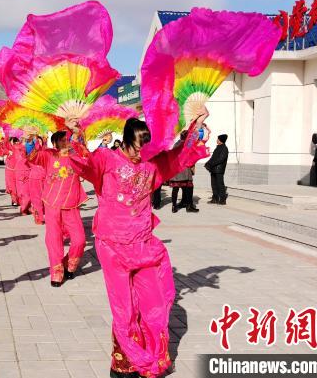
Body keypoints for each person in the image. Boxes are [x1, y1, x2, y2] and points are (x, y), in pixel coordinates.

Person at [69, 111, 210, 378]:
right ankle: (123, 364)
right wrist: (77, 134)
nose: (139, 156)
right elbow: (84, 164)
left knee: (155, 305)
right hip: (112, 245)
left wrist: (196, 126)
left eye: (144, 150)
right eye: (135, 149)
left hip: (144, 243)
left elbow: (178, 156)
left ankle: (153, 359)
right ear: (124, 142)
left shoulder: (151, 163)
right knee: (125, 309)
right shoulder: (106, 159)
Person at [26, 131, 88, 287]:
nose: (64, 142)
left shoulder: (76, 155)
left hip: (72, 204)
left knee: (80, 240)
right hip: (52, 203)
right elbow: (32, 157)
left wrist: (78, 134)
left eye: (66, 139)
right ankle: (56, 272)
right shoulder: (49, 155)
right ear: (54, 144)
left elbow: (89, 161)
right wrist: (31, 140)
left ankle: (70, 264)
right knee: (54, 240)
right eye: (61, 140)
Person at [169, 131, 199, 213]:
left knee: (175, 189)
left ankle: (174, 206)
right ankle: (189, 206)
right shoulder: (187, 145)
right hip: (184, 170)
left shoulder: (175, 145)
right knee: (189, 188)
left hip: (176, 171)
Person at [205, 133, 229, 204]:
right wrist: (208, 163)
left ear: (221, 140)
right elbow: (213, 158)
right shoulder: (218, 147)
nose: (217, 140)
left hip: (219, 170)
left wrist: (212, 163)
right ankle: (215, 198)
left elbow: (221, 159)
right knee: (214, 184)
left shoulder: (224, 148)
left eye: (218, 139)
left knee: (220, 184)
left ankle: (222, 200)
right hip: (213, 169)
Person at [27, 136, 47, 225]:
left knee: (45, 198)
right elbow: (29, 148)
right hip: (35, 177)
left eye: (40, 140)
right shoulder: (31, 150)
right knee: (36, 199)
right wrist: (31, 139)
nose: (39, 142)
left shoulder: (47, 150)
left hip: (46, 177)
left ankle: (44, 214)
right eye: (37, 140)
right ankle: (39, 217)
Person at [0, 137, 18, 206]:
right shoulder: (6, 145)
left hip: (20, 169)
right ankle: (14, 200)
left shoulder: (20, 145)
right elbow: (0, 152)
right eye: (11, 141)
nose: (14, 142)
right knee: (12, 186)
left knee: (19, 186)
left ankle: (18, 200)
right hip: (10, 169)